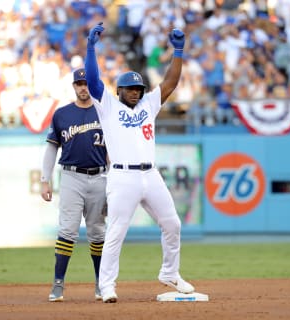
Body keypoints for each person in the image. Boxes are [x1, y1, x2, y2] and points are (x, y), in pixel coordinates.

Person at [84, 22, 195, 303]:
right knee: (117, 232)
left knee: (173, 224)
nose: (136, 92)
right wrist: (90, 48)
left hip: (151, 174)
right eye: (130, 88)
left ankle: (170, 273)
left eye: (138, 88)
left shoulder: (148, 105)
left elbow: (170, 83)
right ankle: (106, 286)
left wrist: (178, 51)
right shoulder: (108, 105)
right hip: (122, 177)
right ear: (119, 90)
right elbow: (95, 82)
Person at [40, 68, 107, 302]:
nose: (83, 87)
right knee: (67, 230)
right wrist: (44, 179)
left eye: (86, 83)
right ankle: (58, 284)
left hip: (100, 177)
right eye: (79, 83)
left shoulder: (105, 111)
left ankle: (101, 283)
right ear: (74, 86)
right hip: (71, 177)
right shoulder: (62, 114)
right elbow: (51, 148)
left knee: (97, 232)